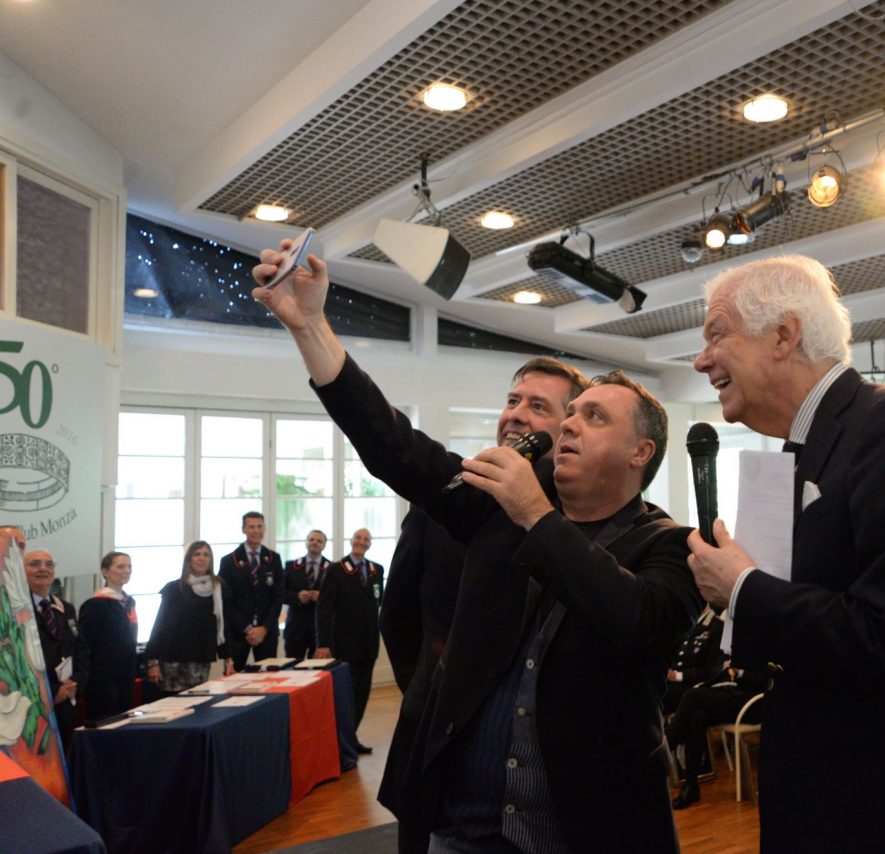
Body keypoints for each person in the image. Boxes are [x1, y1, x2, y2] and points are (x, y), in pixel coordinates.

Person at [253, 241, 701, 851]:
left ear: (639, 453)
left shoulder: (669, 545)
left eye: (592, 417)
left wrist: (534, 513)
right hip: (463, 827)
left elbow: (634, 621)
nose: (568, 424)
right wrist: (311, 325)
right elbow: (393, 444)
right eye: (571, 416)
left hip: (585, 832)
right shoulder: (496, 508)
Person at [683, 255, 885, 851]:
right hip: (829, 802)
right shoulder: (802, 451)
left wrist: (744, 589)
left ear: (783, 335)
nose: (701, 360)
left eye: (717, 334)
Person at [375, 356, 587, 849]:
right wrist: (433, 687)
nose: (517, 414)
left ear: (567, 430)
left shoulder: (574, 521)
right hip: (435, 754)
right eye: (513, 401)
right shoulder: (450, 495)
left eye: (538, 406)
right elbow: (398, 612)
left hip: (538, 784)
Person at [664, 660, 766, 809]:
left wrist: (741, 672)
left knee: (692, 695)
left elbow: (769, 681)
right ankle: (691, 785)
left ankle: (663, 749)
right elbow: (711, 672)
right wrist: (723, 668)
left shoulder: (763, 647)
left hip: (755, 701)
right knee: (697, 717)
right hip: (732, 694)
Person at [316, 528, 383, 749]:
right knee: (345, 696)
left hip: (368, 646)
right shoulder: (336, 570)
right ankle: (338, 742)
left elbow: (377, 603)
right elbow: (323, 610)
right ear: (351, 541)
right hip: (344, 645)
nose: (361, 542)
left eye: (366, 539)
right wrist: (323, 644)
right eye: (358, 538)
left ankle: (350, 738)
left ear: (370, 544)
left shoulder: (376, 570)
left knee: (362, 695)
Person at [144, 541, 233, 694]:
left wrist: (228, 658)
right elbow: (160, 625)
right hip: (173, 658)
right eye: (197, 554)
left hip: (201, 658)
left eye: (206, 555)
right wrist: (152, 662)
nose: (201, 558)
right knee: (173, 708)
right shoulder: (174, 588)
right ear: (189, 559)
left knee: (199, 707)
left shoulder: (218, 587)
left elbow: (222, 625)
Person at [25, 548, 87, 754]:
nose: (43, 569)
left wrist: (75, 682)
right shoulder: (13, 611)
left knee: (64, 757)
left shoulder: (66, 608)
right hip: (32, 702)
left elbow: (81, 649)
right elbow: (17, 659)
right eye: (35, 564)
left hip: (66, 698)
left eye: (48, 565)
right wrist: (51, 690)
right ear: (21, 570)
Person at [218, 511, 284, 669]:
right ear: (243, 529)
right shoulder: (229, 561)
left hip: (266, 632)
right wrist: (248, 628)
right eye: (251, 527)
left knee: (269, 680)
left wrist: (264, 628)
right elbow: (226, 600)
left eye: (259, 526)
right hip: (239, 632)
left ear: (265, 529)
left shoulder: (274, 559)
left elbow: (278, 597)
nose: (256, 531)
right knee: (233, 679)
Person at [78, 552, 138, 719]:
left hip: (126, 676)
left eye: (129, 566)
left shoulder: (127, 602)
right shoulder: (95, 605)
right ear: (105, 572)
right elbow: (86, 645)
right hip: (103, 679)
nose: (126, 570)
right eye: (120, 566)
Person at [283, 529, 330, 660]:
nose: (314, 543)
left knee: (317, 671)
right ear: (306, 542)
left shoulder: (332, 568)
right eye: (311, 539)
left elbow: (337, 597)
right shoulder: (291, 566)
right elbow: (281, 593)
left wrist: (321, 597)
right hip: (295, 629)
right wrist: (297, 596)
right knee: (292, 670)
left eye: (319, 541)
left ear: (324, 545)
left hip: (319, 631)